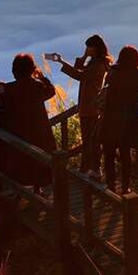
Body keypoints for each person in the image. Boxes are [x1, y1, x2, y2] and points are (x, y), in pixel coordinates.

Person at [99, 46, 138, 194]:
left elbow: (107, 82)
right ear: (135, 59)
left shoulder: (113, 72)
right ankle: (125, 187)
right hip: (129, 120)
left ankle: (111, 186)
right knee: (125, 155)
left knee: (109, 154)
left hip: (110, 118)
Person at [53, 35, 111, 173]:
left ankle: (93, 168)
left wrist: (62, 63)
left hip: (91, 106)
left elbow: (80, 76)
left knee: (91, 140)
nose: (87, 49)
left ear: (95, 48)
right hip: (88, 106)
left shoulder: (99, 64)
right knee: (88, 139)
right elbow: (80, 69)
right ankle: (87, 167)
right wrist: (83, 57)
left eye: (88, 47)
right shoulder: (94, 62)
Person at [0, 54, 58, 189]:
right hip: (39, 132)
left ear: (15, 70)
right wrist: (42, 77)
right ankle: (39, 190)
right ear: (32, 69)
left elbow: (1, 104)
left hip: (19, 133)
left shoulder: (8, 89)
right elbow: (51, 91)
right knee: (40, 162)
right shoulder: (37, 87)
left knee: (26, 164)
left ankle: (28, 193)